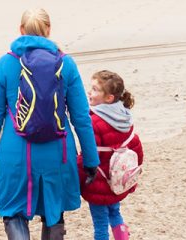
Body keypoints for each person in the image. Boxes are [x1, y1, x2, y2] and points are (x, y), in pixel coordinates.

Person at [0, 8, 99, 240]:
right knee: (54, 214)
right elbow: (81, 117)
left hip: (15, 154)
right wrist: (90, 159)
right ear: (48, 30)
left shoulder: (6, 64)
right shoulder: (66, 63)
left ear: (21, 31)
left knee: (14, 213)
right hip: (57, 152)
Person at [77, 70, 144, 240]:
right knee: (115, 214)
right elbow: (135, 146)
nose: (89, 92)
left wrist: (78, 180)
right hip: (117, 181)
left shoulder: (93, 121)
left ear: (109, 98)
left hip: (98, 182)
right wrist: (131, 179)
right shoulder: (124, 116)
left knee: (100, 224)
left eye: (95, 89)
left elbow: (88, 155)